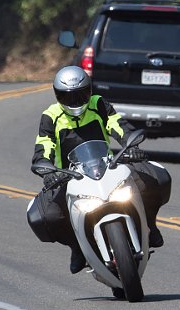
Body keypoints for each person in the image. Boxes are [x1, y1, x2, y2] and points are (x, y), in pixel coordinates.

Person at [32, 65, 170, 274]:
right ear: (57, 95)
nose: (75, 102)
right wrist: (48, 169)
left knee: (153, 180)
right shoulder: (51, 116)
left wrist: (130, 144)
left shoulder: (98, 105)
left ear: (89, 91)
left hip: (107, 166)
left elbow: (117, 124)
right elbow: (44, 144)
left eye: (80, 95)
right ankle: (76, 246)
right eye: (68, 97)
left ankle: (149, 225)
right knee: (48, 216)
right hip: (69, 177)